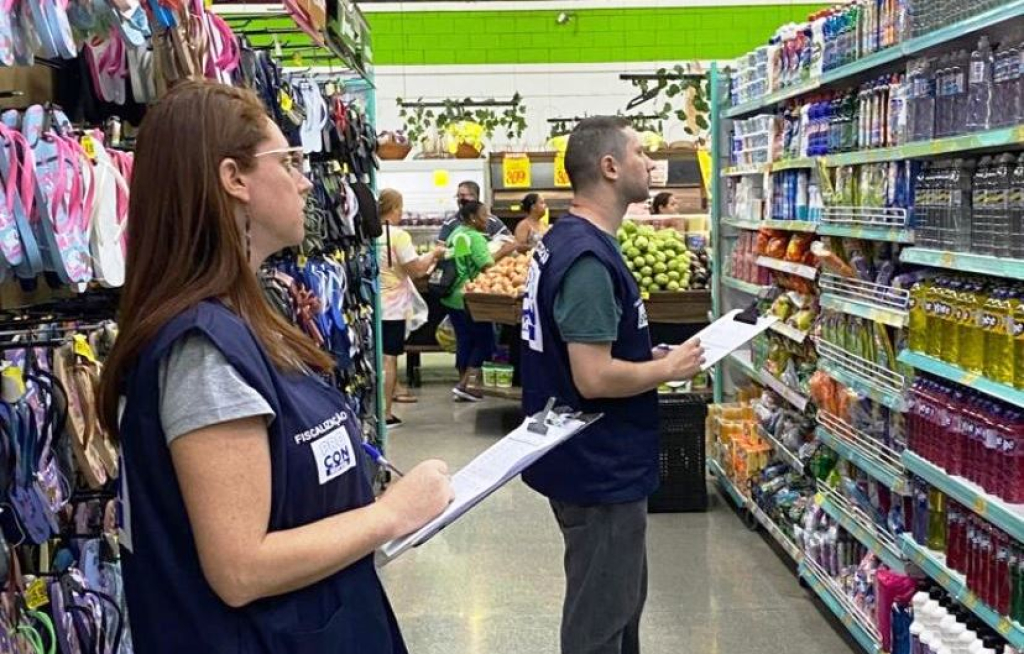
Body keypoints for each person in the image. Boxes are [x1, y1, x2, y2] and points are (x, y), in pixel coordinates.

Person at [98, 80, 454, 654]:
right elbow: (240, 569)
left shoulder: (250, 316)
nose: (305, 178)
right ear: (234, 179)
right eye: (288, 160)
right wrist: (391, 514)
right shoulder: (203, 350)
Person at [519, 116, 705, 654]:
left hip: (588, 459)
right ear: (609, 167)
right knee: (600, 619)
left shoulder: (568, 240)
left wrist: (641, 356)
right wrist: (666, 371)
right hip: (598, 464)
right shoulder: (588, 260)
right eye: (640, 152)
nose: (650, 162)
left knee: (618, 603)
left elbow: (584, 348)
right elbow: (593, 377)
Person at [378, 188, 445, 429]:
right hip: (393, 307)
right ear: (395, 208)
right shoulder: (398, 236)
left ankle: (371, 410)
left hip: (371, 305)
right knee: (389, 358)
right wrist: (434, 254)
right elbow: (415, 269)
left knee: (374, 357)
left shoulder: (369, 234)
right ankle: (385, 413)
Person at [441, 199, 517, 401]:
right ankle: (466, 384)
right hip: (469, 297)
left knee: (465, 341)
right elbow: (487, 267)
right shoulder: (474, 237)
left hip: (452, 296)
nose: (488, 219)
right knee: (486, 341)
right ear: (473, 218)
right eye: (484, 215)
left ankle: (464, 383)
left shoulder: (457, 233)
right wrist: (506, 251)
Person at [437, 180, 511, 242]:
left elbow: (510, 242)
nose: (459, 199)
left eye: (463, 195)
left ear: (475, 197)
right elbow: (441, 247)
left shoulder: (492, 221)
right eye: (458, 196)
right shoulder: (450, 222)